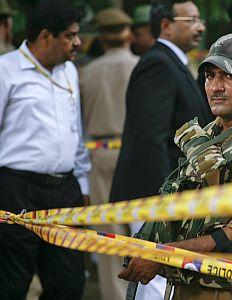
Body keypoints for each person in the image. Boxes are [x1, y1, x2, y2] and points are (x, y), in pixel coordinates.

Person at [118, 33, 232, 300]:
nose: (215, 86)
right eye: (210, 76)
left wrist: (163, 257)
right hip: (188, 285)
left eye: (228, 76)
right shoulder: (210, 136)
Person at [109, 1, 213, 298]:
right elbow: (148, 138)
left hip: (169, 196)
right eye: (191, 20)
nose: (200, 27)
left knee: (160, 277)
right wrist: (163, 203)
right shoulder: (158, 63)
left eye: (200, 20)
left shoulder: (176, 63)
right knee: (151, 277)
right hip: (155, 196)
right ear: (166, 25)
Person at [0, 1, 90, 299]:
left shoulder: (69, 73)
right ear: (45, 36)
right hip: (16, 190)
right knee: (12, 282)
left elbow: (75, 130)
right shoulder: (6, 70)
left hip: (65, 190)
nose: (77, 42)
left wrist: (83, 184)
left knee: (68, 283)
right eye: (70, 35)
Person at [80, 7, 138, 300]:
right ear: (128, 34)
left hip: (99, 153)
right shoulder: (141, 66)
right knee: (142, 228)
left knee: (108, 233)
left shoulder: (86, 72)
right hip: (136, 152)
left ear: (101, 38)